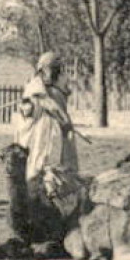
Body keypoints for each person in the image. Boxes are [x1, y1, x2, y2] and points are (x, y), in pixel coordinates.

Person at [15, 51, 78, 181]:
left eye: (55, 69)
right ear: (42, 69)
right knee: (36, 159)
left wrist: (63, 119)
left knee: (64, 159)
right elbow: (32, 109)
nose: (52, 72)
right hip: (37, 129)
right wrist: (39, 96)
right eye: (49, 69)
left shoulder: (58, 84)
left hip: (56, 128)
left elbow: (62, 99)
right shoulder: (35, 85)